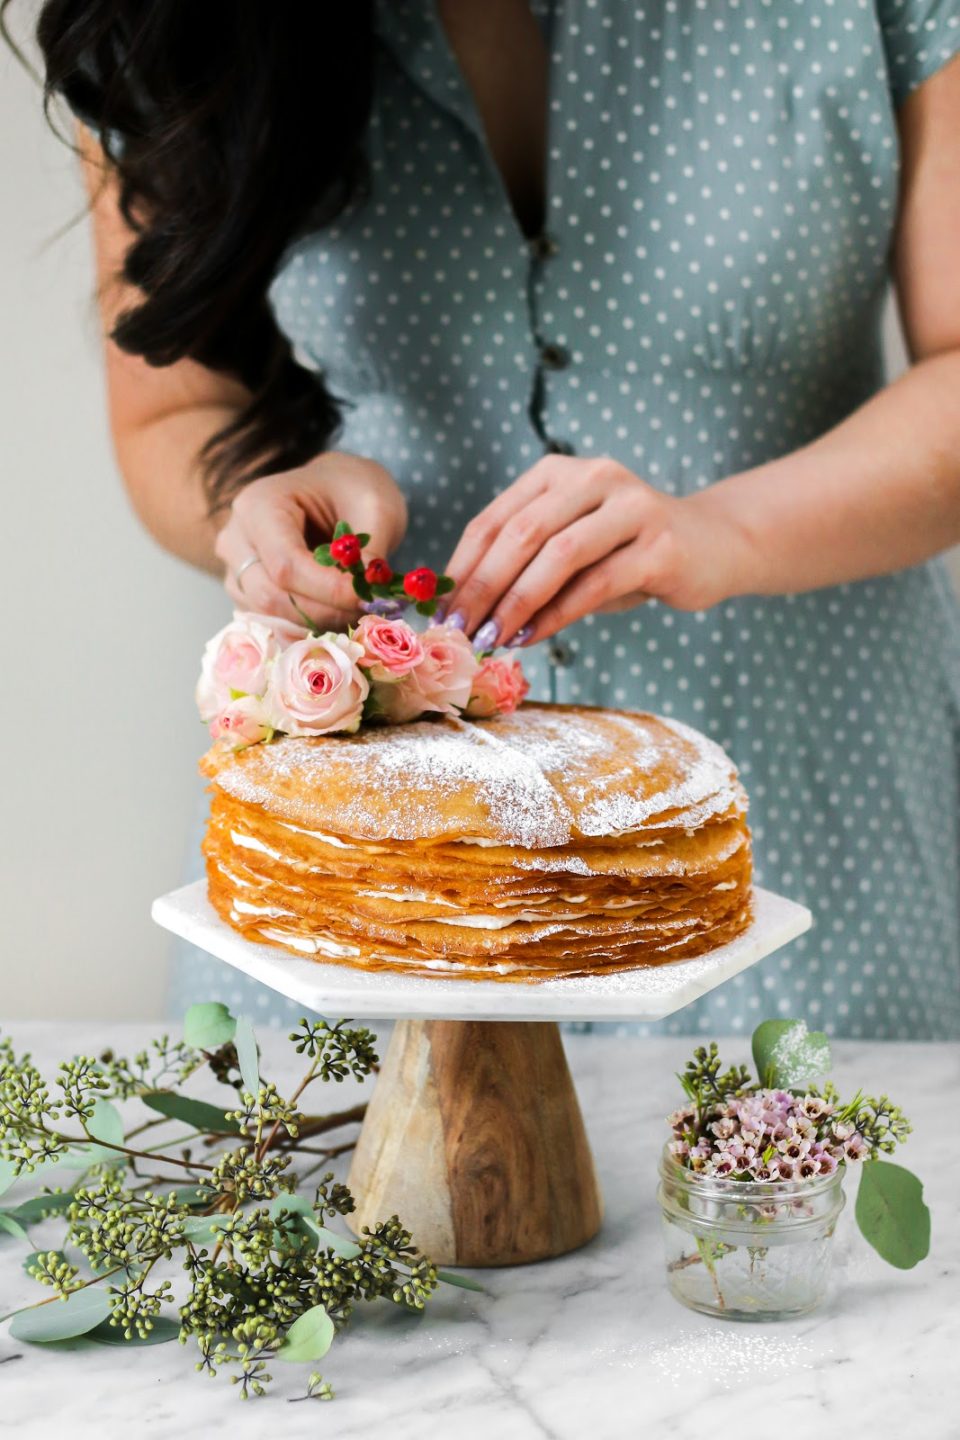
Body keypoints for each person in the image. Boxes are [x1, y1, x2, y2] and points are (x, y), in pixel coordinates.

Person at [16, 0, 960, 1039]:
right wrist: (271, 513)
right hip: (365, 900)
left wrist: (722, 531)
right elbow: (171, 410)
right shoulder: (173, 27)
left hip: (820, 825)